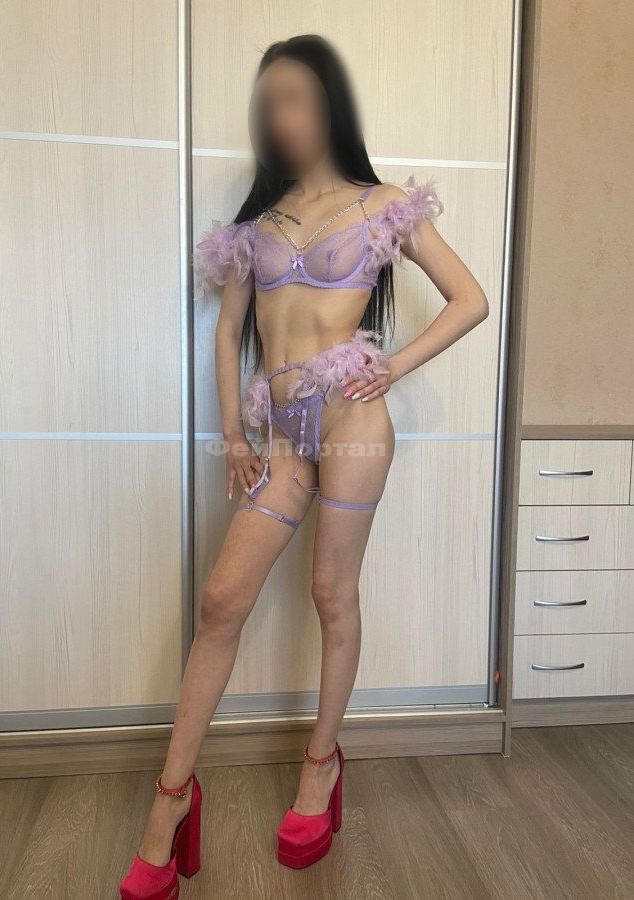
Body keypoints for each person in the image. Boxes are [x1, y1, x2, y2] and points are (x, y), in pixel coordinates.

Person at [120, 33, 488, 899]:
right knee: (221, 602)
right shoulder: (256, 225)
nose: (280, 115)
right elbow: (227, 334)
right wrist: (234, 435)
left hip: (352, 421)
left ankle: (320, 766)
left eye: (294, 97)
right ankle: (171, 800)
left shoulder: (381, 205)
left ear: (328, 105)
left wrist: (393, 366)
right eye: (269, 102)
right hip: (281, 437)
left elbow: (470, 299)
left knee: (330, 595)